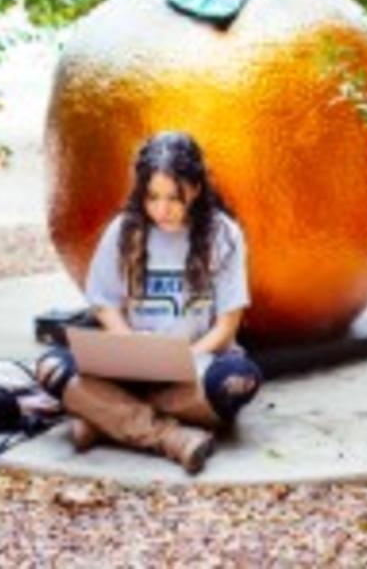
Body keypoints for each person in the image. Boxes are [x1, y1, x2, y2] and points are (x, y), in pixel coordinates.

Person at [36, 131, 262, 474]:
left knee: (239, 381)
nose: (161, 210)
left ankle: (104, 418)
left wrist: (187, 358)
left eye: (175, 197)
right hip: (135, 366)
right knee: (51, 366)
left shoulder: (223, 234)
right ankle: (172, 438)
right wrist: (129, 346)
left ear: (197, 189)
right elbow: (104, 305)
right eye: (152, 197)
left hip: (196, 366)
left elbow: (227, 324)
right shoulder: (124, 231)